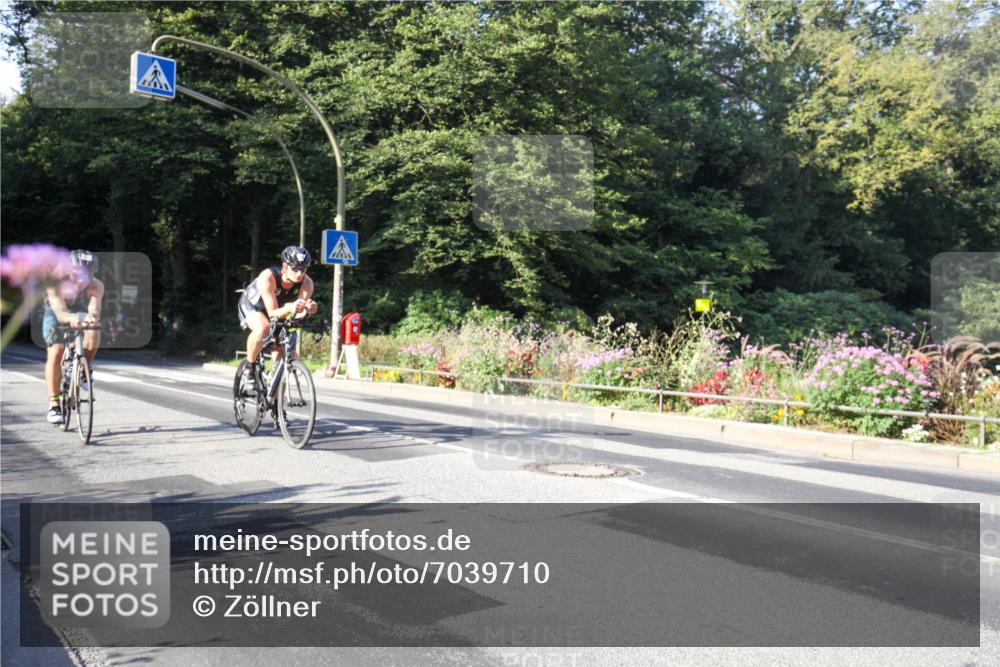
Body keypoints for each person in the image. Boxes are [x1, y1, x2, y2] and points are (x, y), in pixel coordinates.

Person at [238, 246, 318, 389]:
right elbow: (273, 313)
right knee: (263, 327)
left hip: (281, 310)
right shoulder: (268, 277)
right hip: (254, 306)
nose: (300, 273)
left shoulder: (307, 283)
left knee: (289, 352)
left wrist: (308, 309)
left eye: (303, 269)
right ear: (285, 267)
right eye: (295, 269)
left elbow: (297, 314)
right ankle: (249, 369)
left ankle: (276, 400)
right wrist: (289, 308)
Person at [42, 250, 104, 424]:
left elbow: (94, 308)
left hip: (80, 307)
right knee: (57, 351)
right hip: (55, 311)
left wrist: (90, 317)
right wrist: (72, 319)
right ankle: (54, 404)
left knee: (94, 327)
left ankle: (84, 370)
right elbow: (60, 313)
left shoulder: (96, 285)